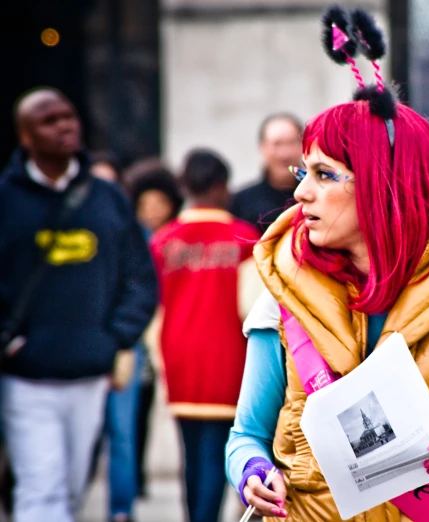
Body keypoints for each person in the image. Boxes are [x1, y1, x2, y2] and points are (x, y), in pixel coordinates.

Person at [226, 7, 429, 521]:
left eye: (325, 175)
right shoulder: (281, 298)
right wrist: (252, 473)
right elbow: (245, 438)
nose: (301, 191)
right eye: (302, 171)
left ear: (384, 185)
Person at [0, 87, 158, 522]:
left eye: (68, 115)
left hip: (91, 374)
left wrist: (113, 339)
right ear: (26, 137)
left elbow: (141, 279)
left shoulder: (107, 199)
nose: (65, 125)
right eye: (49, 120)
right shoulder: (7, 200)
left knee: (71, 488)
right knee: (41, 485)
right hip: (26, 378)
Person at [149, 149, 260, 522]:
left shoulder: (162, 241)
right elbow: (253, 309)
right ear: (221, 186)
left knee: (192, 458)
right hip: (230, 360)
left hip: (179, 359)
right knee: (217, 456)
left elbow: (154, 311)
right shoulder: (245, 239)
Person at [122, 158, 184, 499]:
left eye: (159, 203)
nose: (152, 211)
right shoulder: (133, 236)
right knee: (133, 412)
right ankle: (133, 476)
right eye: (146, 204)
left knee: (145, 410)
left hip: (166, 330)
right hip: (137, 334)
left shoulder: (175, 237)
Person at [229, 113, 303, 233]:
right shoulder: (239, 202)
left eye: (291, 143)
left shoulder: (316, 194)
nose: (284, 154)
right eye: (277, 144)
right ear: (262, 147)